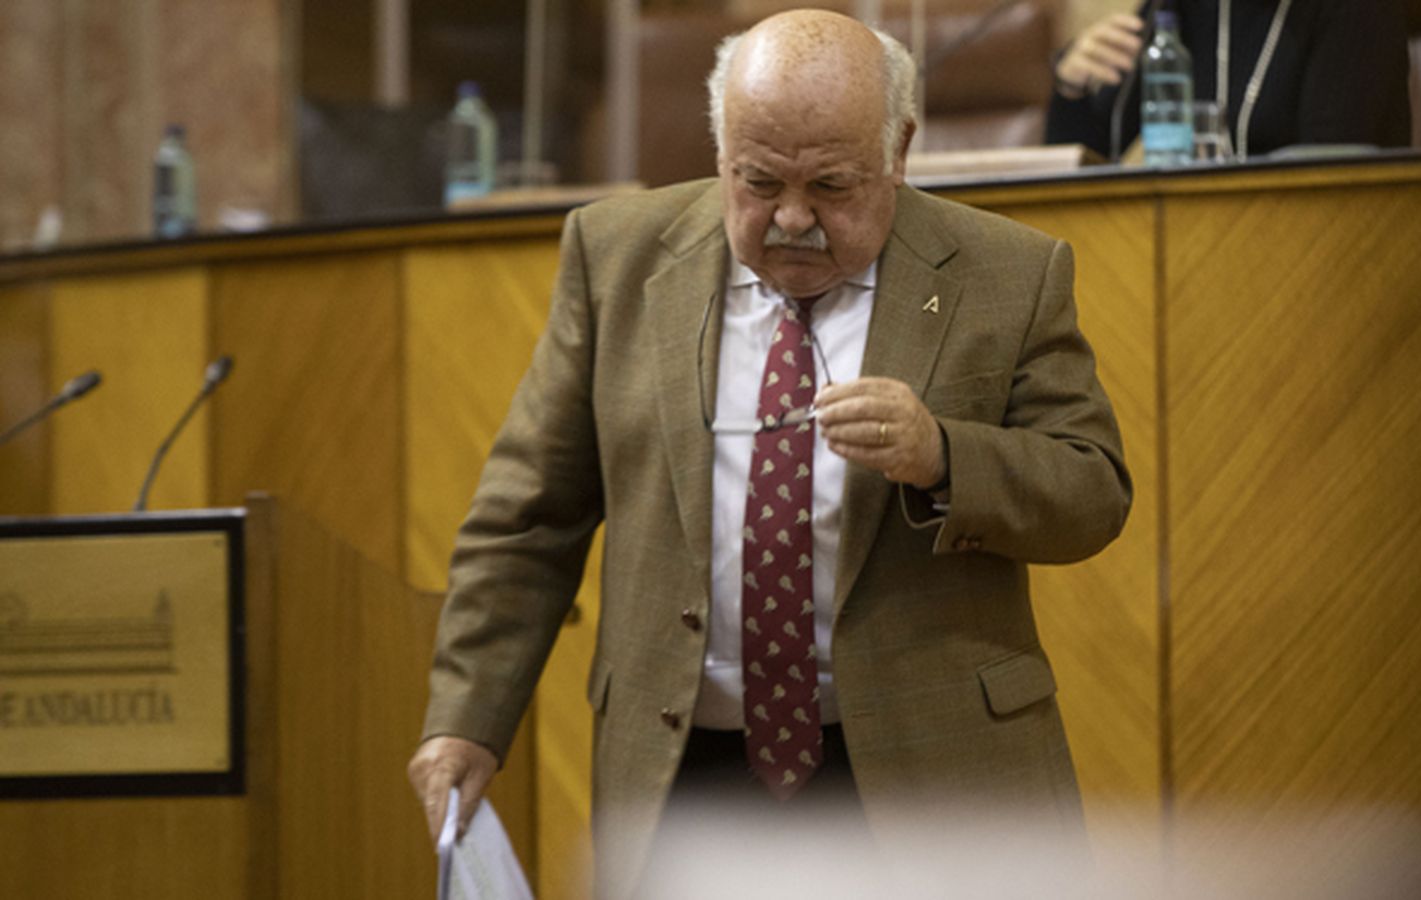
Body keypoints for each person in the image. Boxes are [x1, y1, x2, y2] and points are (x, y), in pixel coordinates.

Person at [409, 9, 1131, 897]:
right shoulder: (616, 259)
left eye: (831, 186)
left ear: (898, 150)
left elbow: (1092, 490)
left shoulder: (1006, 273)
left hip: (932, 771)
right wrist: (467, 721)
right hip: (686, 776)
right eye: (757, 183)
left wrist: (944, 455)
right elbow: (528, 519)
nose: (792, 218)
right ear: (720, 150)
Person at [1047, 0, 1412, 159]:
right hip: (1203, 242)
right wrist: (1072, 87)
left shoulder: (1356, 9)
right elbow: (1093, 160)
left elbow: (1330, 174)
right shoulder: (1177, 8)